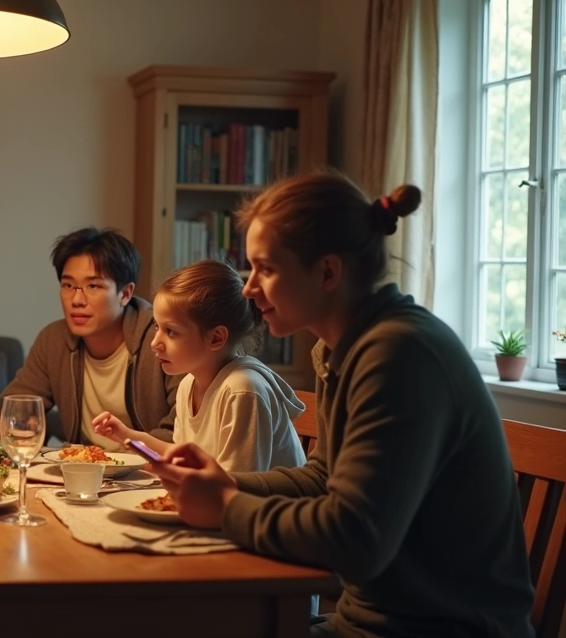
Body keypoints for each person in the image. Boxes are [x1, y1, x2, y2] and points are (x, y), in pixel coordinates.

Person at [150, 173, 535, 636]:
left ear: (328, 272)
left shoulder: (399, 353)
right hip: (367, 621)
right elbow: (322, 477)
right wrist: (222, 482)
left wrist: (227, 505)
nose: (249, 288)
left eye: (265, 269)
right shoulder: (340, 349)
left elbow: (356, 539)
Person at [93, 259, 306, 472]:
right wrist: (127, 435)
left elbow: (235, 486)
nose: (155, 342)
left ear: (215, 338)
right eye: (157, 327)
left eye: (171, 332)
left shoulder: (242, 390)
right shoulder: (188, 384)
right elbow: (179, 454)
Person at [2, 227, 180, 449]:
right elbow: (13, 410)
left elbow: (181, 429)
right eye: (68, 285)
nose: (76, 299)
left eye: (93, 286)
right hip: (82, 473)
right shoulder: (53, 341)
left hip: (148, 473)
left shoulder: (161, 338)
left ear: (125, 294)